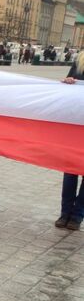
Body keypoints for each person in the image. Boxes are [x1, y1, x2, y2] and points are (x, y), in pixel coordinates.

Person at [56, 52, 84, 230]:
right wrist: (68, 82)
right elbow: (69, 80)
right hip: (76, 122)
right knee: (70, 170)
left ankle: (77, 216)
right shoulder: (80, 59)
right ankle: (65, 213)